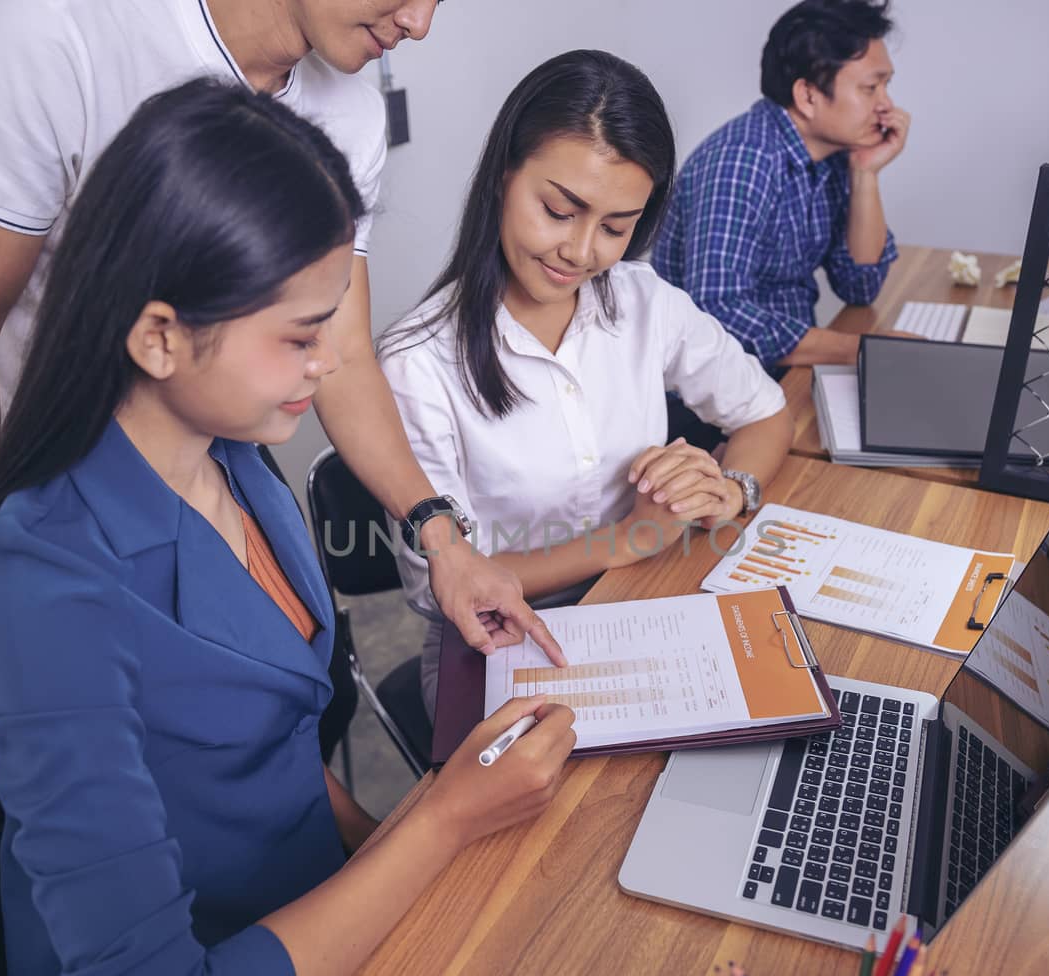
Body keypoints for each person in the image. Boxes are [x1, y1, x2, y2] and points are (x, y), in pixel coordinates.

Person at [0, 80, 576, 976]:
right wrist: (442, 818)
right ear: (159, 334)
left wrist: (390, 843)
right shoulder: (34, 585)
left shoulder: (234, 454)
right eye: (299, 333)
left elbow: (274, 753)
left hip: (313, 927)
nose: (329, 361)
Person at [0, 0, 562, 710]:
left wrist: (443, 537)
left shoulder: (350, 109)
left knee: (309, 694)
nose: (420, 24)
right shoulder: (45, 40)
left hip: (220, 464)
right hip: (77, 494)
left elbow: (340, 350)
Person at [379, 50, 795, 714]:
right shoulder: (417, 359)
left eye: (615, 227)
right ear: (503, 176)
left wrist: (727, 490)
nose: (581, 251)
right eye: (558, 209)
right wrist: (633, 536)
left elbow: (767, 413)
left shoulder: (639, 299)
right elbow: (441, 587)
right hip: (494, 645)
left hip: (642, 600)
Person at [652, 0, 908, 375]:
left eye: (886, 85)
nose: (887, 105)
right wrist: (861, 349)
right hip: (711, 393)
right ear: (807, 96)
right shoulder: (742, 161)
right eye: (871, 88)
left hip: (779, 372)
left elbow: (860, 286)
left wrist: (865, 175)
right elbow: (718, 313)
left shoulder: (833, 158)